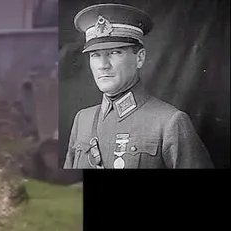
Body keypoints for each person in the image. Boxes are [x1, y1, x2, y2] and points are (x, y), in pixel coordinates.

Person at [63, 3, 212, 169]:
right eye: (95, 55)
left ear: (139, 58)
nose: (103, 65)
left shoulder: (169, 123)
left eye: (115, 52)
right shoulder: (82, 120)